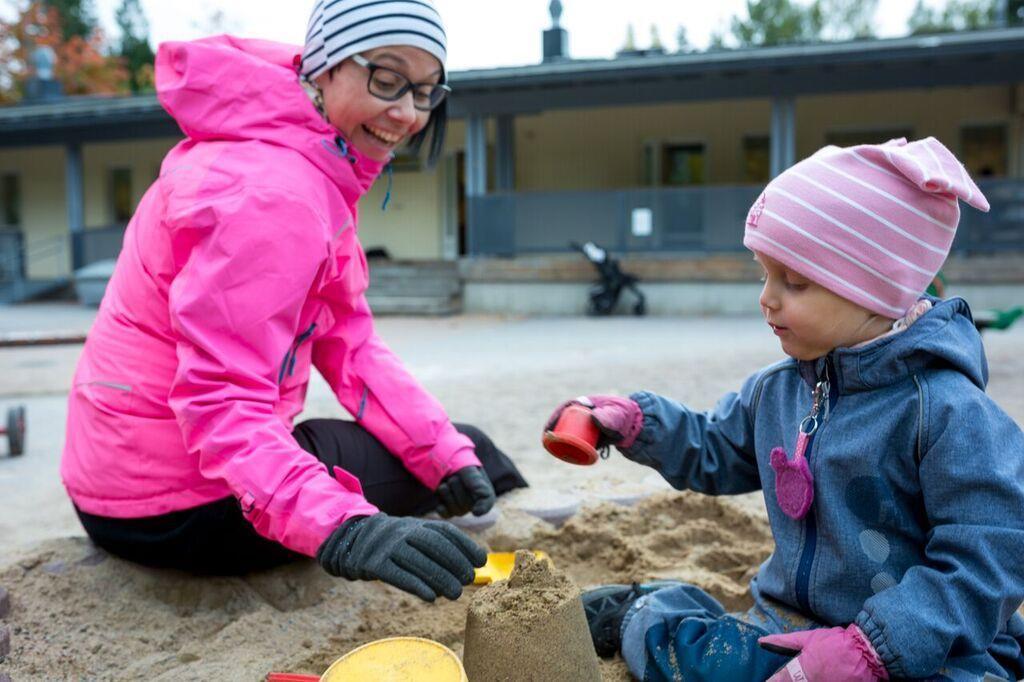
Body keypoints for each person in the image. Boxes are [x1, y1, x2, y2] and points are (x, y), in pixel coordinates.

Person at [60, 0, 528, 603]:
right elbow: (220, 399)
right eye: (386, 79)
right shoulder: (272, 192)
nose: (407, 113)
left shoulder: (298, 159)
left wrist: (443, 455)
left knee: (460, 455)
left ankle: (468, 495)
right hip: (179, 508)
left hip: (120, 485)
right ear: (325, 67)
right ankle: (497, 535)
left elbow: (350, 344)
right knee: (476, 458)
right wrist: (346, 527)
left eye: (425, 92)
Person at [547, 138, 1024, 681]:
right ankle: (643, 611)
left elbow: (990, 554)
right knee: (713, 665)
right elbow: (715, 446)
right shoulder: (779, 390)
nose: (767, 298)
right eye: (764, 274)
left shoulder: (947, 412)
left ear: (877, 291)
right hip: (788, 622)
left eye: (794, 281)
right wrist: (638, 424)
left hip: (913, 647)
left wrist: (875, 648)